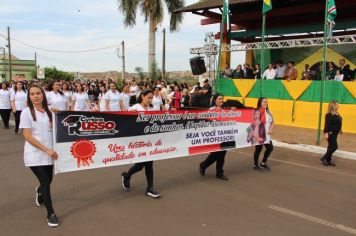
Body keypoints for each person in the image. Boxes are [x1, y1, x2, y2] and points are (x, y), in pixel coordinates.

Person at [19, 84, 59, 227]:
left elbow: (63, 121)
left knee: (48, 181)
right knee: (46, 183)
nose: (36, 96)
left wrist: (58, 112)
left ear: (43, 95)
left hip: (50, 154)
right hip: (35, 154)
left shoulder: (49, 112)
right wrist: (46, 150)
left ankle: (39, 190)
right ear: (29, 97)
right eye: (32, 94)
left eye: (38, 93)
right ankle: (51, 213)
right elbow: (28, 136)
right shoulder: (26, 112)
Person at [121, 89, 161, 198]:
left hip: (149, 140)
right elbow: (124, 120)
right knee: (142, 165)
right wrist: (130, 115)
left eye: (152, 98)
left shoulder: (152, 108)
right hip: (138, 141)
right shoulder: (135, 108)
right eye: (148, 97)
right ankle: (129, 176)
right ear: (142, 96)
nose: (150, 100)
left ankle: (149, 187)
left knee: (146, 163)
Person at [199, 94, 229, 180]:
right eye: (219, 99)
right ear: (215, 100)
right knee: (216, 154)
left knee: (222, 154)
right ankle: (203, 165)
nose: (221, 100)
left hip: (225, 134)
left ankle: (219, 173)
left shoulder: (225, 110)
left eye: (222, 99)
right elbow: (208, 120)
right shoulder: (211, 110)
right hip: (215, 135)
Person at [253, 97, 274, 171]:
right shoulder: (257, 111)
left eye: (266, 102)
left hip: (267, 134)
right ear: (260, 103)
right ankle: (255, 164)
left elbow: (273, 122)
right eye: (264, 102)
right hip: (259, 133)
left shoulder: (269, 112)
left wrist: (271, 129)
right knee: (258, 149)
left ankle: (263, 163)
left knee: (270, 148)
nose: (266, 103)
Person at [320, 101, 342, 166]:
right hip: (330, 133)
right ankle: (324, 157)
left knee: (330, 146)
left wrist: (340, 129)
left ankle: (328, 160)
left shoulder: (337, 113)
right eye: (337, 105)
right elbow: (326, 125)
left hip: (335, 133)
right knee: (335, 146)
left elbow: (339, 122)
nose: (338, 106)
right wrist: (326, 133)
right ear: (333, 106)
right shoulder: (329, 115)